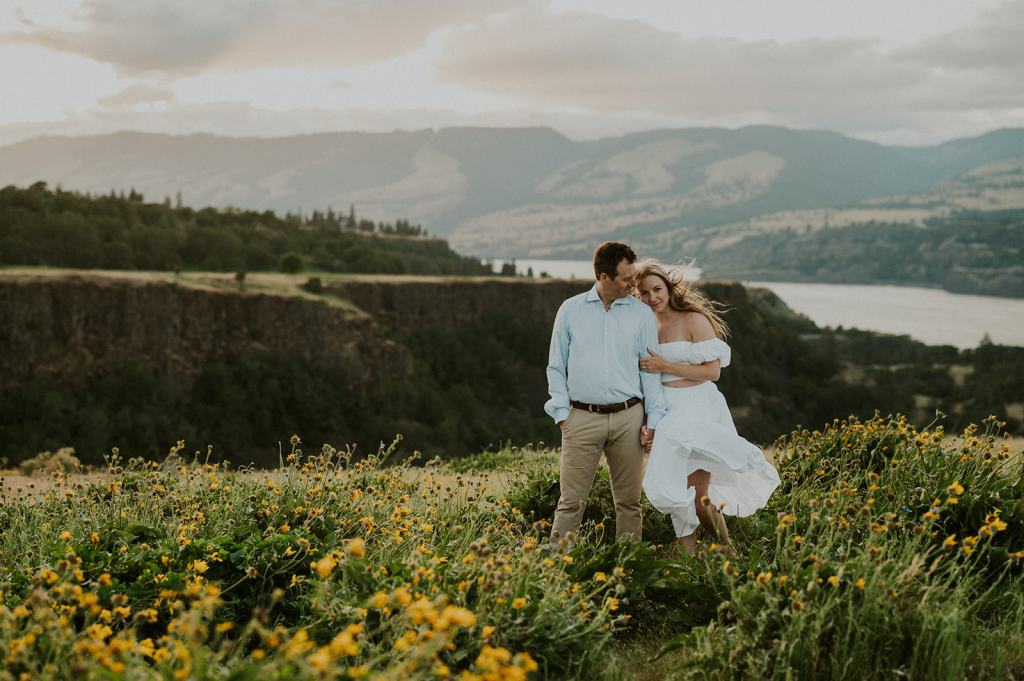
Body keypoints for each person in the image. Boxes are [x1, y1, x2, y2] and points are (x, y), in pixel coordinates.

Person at [634, 260, 779, 556]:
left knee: (700, 498)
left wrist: (666, 365)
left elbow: (713, 373)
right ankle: (688, 561)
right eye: (644, 293)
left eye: (657, 289)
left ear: (669, 286)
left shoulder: (693, 320)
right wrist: (650, 422)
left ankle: (728, 551)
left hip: (698, 409)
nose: (652, 298)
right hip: (667, 412)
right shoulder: (645, 326)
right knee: (678, 492)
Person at [545, 242, 668, 550]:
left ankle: (628, 566)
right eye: (626, 278)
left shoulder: (641, 315)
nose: (633, 284)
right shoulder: (570, 310)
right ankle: (558, 566)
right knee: (570, 502)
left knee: (629, 502)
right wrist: (562, 416)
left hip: (629, 417)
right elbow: (556, 365)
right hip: (580, 418)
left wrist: (653, 419)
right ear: (603, 276)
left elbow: (650, 370)